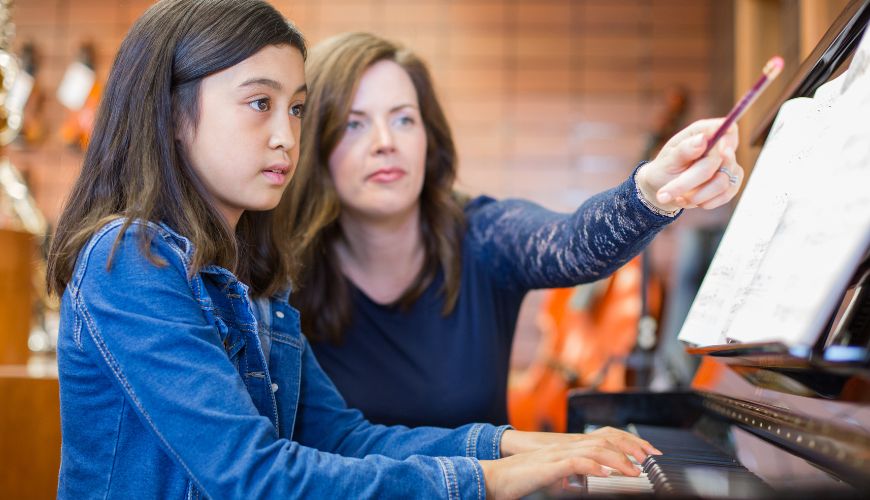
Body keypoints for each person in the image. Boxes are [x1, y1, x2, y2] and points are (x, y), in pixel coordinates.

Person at [46, 1, 659, 498]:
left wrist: (511, 445)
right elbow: (254, 479)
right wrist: (488, 480)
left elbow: (343, 438)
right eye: (260, 104)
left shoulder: (255, 279)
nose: (287, 136)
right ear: (173, 113)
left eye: (297, 109)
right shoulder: (129, 261)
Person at [283, 32, 743, 429]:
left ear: (428, 137)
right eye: (354, 124)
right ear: (316, 142)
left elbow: (573, 244)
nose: (386, 142)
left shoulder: (483, 235)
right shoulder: (282, 273)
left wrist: (650, 191)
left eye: (404, 119)